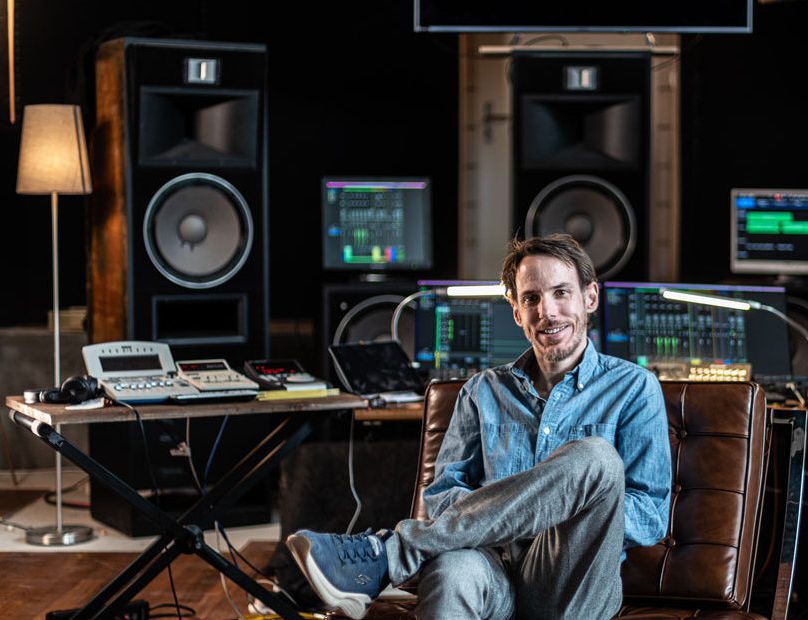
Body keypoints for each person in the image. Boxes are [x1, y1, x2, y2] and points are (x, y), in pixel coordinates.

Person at [287, 234, 671, 619]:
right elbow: (443, 495)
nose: (548, 312)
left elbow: (649, 516)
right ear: (517, 312)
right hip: (492, 567)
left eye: (561, 293)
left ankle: (390, 555)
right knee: (451, 572)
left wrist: (554, 510)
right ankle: (393, 556)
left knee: (596, 457)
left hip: (572, 581)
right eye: (531, 298)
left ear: (590, 297)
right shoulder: (482, 391)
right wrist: (508, 516)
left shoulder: (635, 388)